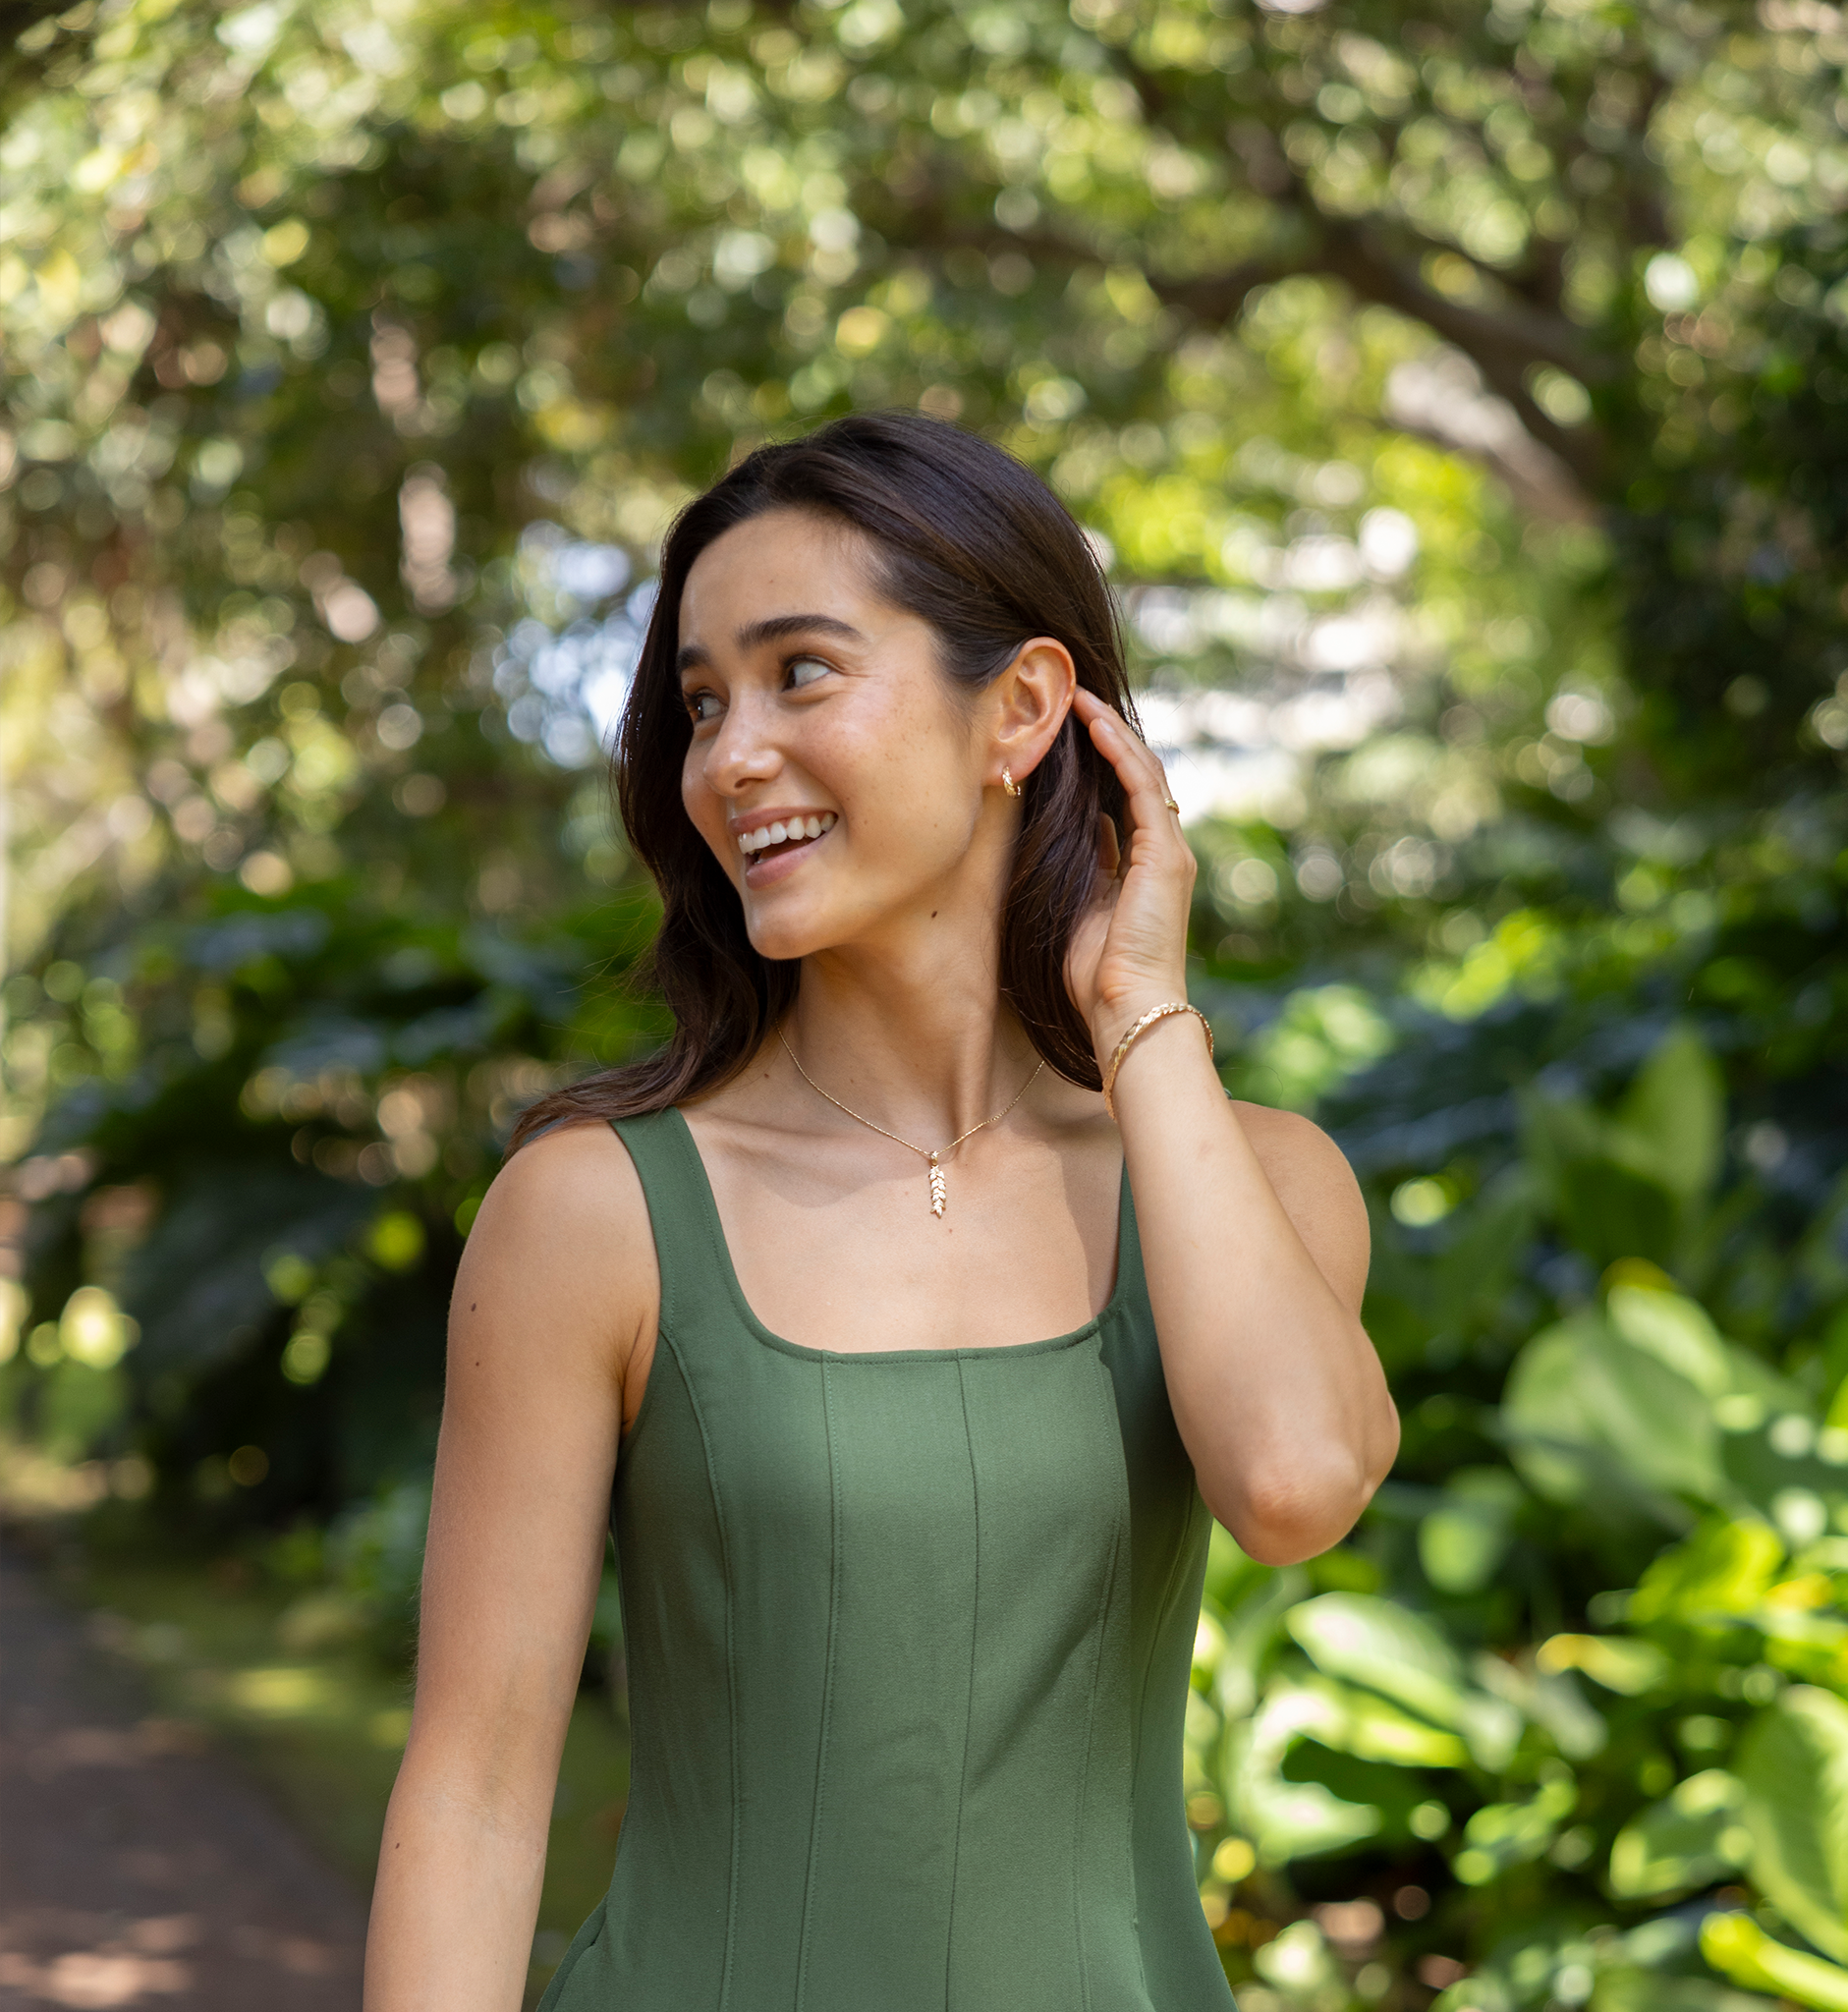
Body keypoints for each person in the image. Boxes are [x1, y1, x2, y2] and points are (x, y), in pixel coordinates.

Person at [361, 411, 1398, 2012]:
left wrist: (1140, 1021)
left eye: (801, 673)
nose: (730, 756)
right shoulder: (597, 1214)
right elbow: (478, 1796)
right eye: (701, 703)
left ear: (1025, 710)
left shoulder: (1257, 1184)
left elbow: (1293, 1483)